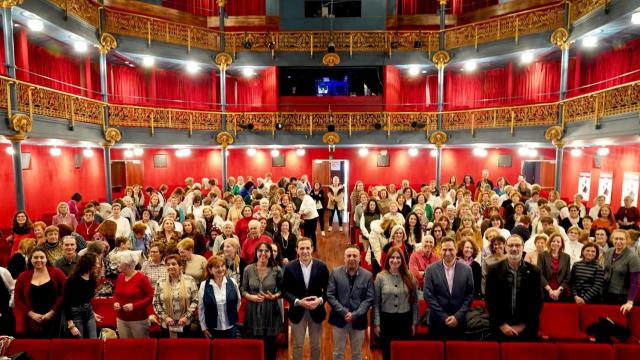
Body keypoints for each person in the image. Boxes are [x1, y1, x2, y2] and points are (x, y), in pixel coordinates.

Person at [485, 235, 543, 341]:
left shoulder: (535, 272)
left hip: (527, 329)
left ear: (523, 247)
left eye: (517, 245)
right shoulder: (494, 270)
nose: (514, 248)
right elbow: (490, 300)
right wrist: (502, 325)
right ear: (505, 247)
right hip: (500, 328)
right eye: (511, 245)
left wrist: (522, 325)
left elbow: (537, 301)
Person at [282, 238, 330, 360]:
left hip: (316, 311)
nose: (305, 251)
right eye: (302, 248)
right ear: (297, 250)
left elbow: (329, 290)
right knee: (297, 345)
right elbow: (285, 290)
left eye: (307, 248)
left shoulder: (322, 266)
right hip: (297, 312)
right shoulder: (289, 267)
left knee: (316, 346)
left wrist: (319, 301)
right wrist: (298, 301)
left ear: (312, 249)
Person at [326, 246, 375, 360]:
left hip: (359, 320)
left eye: (355, 256)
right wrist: (344, 312)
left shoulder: (367, 275)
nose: (351, 258)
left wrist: (356, 314)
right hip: (339, 319)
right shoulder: (335, 272)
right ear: (344, 258)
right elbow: (330, 295)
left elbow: (369, 299)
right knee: (338, 353)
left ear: (359, 258)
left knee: (357, 354)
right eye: (348, 256)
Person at [423, 237, 474, 339]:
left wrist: (457, 316)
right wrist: (444, 316)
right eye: (444, 250)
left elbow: (470, 295)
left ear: (456, 250)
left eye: (450, 249)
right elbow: (428, 295)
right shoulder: (430, 270)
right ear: (440, 250)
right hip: (437, 322)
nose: (447, 253)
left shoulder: (467, 270)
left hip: (459, 322)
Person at [374, 247, 418, 360]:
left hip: (405, 320)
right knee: (388, 353)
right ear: (388, 259)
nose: (395, 260)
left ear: (402, 260)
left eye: (398, 258)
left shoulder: (410, 277)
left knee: (404, 353)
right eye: (392, 257)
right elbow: (376, 303)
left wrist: (413, 323)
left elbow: (415, 302)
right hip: (387, 320)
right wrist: (377, 323)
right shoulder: (380, 277)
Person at [242, 242, 283, 360]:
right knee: (254, 347)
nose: (263, 253)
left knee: (270, 348)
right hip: (253, 312)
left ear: (271, 253)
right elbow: (243, 290)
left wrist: (274, 296)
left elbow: (282, 291)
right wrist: (251, 297)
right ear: (256, 252)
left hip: (271, 312)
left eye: (266, 251)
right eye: (260, 250)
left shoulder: (277, 269)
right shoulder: (248, 269)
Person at [14, 247, 66, 338]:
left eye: (42, 257)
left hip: (55, 318)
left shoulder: (57, 273)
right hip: (32, 320)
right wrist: (32, 314)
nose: (39, 260)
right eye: (36, 257)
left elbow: (64, 294)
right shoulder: (23, 276)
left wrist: (52, 312)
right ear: (31, 259)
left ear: (46, 259)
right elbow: (18, 300)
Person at [153, 254, 199, 338]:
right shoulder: (160, 282)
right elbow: (156, 303)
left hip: (185, 324)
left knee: (184, 349)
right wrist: (165, 317)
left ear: (180, 266)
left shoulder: (189, 280)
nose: (170, 266)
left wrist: (186, 317)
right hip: (166, 324)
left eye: (174, 264)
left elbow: (195, 300)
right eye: (168, 264)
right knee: (168, 349)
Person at [113, 251, 154, 338]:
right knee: (126, 348)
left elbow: (150, 297)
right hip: (121, 320)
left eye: (119, 262)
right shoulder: (120, 277)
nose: (117, 264)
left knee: (141, 348)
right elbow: (116, 294)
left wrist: (134, 306)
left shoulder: (142, 278)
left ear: (127, 264)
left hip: (138, 321)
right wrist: (116, 302)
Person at [198, 255, 241, 339]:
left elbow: (238, 301)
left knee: (229, 350)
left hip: (230, 326)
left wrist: (232, 314)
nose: (221, 269)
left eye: (222, 266)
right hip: (212, 327)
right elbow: (201, 308)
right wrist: (203, 327)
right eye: (217, 267)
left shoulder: (232, 282)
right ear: (210, 270)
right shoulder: (204, 285)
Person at [64, 253, 101, 338]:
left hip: (89, 312)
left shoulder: (92, 279)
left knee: (94, 340)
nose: (98, 265)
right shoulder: (73, 280)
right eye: (96, 263)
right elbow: (66, 302)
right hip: (75, 314)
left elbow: (87, 299)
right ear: (89, 264)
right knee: (80, 343)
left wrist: (93, 313)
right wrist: (71, 325)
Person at [603, 229, 640, 314]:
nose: (618, 241)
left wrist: (630, 302)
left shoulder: (633, 257)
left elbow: (634, 282)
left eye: (621, 239)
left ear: (627, 240)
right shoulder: (609, 251)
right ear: (612, 239)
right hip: (606, 293)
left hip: (621, 297)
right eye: (616, 238)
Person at [538, 233, 571, 302]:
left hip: (561, 291)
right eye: (553, 241)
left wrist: (559, 291)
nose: (555, 243)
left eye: (558, 241)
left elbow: (567, 277)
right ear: (550, 242)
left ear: (561, 244)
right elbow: (540, 274)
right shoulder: (542, 255)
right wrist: (550, 290)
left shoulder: (566, 257)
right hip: (545, 290)